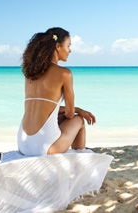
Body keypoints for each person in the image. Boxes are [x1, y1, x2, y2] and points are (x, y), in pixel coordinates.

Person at [17, 27, 96, 156]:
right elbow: (70, 114)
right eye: (68, 46)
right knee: (79, 119)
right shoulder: (65, 73)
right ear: (58, 46)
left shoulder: (30, 74)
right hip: (45, 148)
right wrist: (78, 111)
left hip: (23, 144)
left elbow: (45, 108)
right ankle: (80, 161)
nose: (70, 51)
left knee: (58, 118)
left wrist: (78, 108)